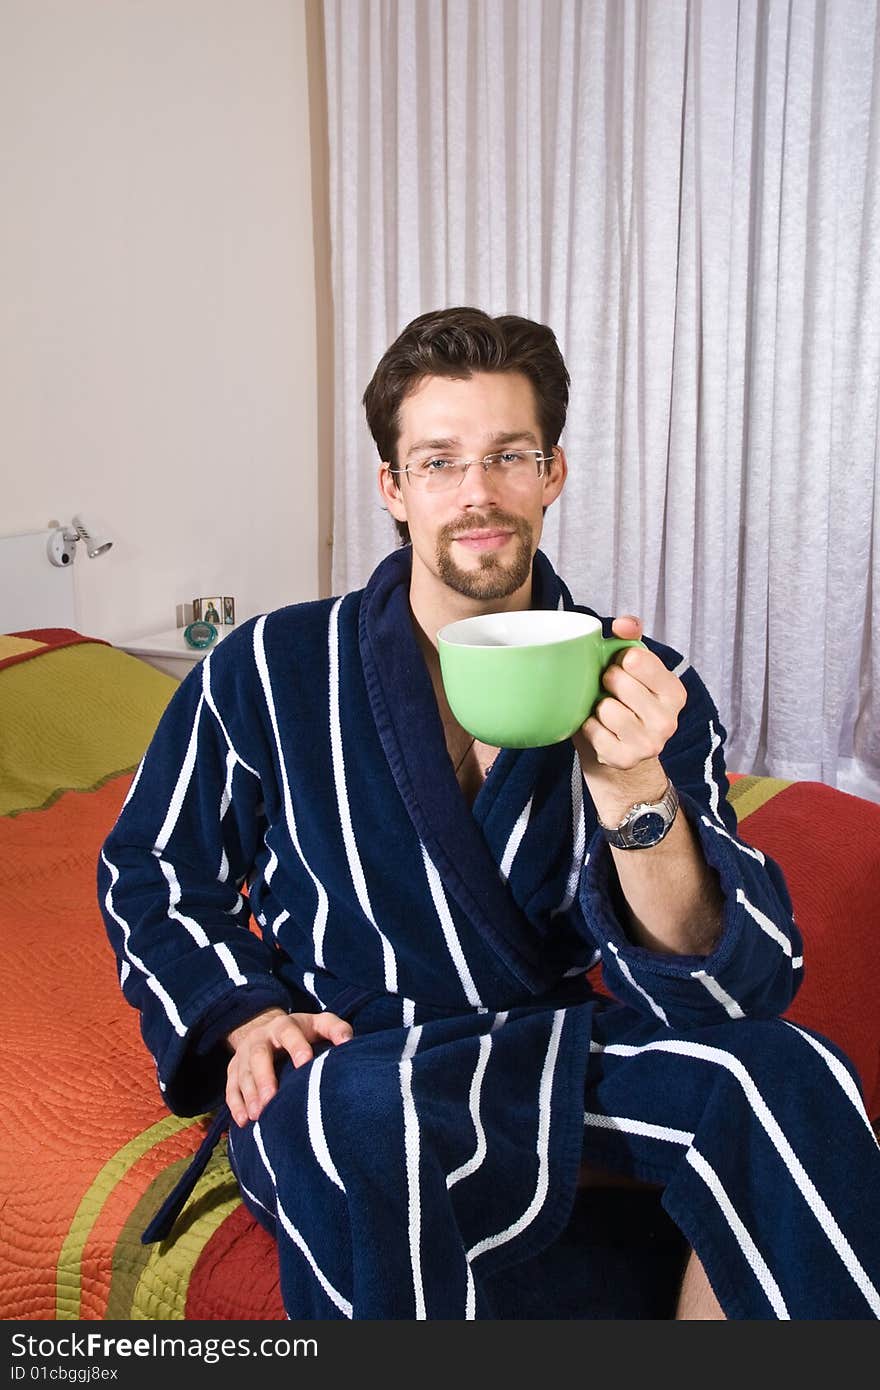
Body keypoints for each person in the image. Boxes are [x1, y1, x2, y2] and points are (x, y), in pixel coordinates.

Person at [98, 307, 880, 1320]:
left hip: (550, 1055)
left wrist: (635, 790)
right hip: (358, 1060)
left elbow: (731, 995)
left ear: (551, 473)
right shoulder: (268, 668)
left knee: (792, 1076)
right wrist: (244, 1014)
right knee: (362, 1116)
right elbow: (152, 872)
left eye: (509, 454)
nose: (477, 492)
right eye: (437, 461)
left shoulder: (639, 683)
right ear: (392, 488)